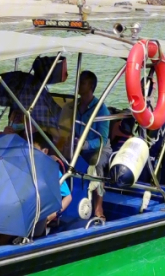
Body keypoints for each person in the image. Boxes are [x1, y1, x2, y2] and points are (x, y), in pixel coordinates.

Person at [73, 71, 110, 220]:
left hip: (99, 148)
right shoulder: (74, 107)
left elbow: (103, 139)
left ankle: (98, 207)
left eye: (82, 82)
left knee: (98, 162)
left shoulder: (101, 110)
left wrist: (85, 144)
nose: (78, 84)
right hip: (78, 146)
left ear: (91, 86)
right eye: (79, 81)